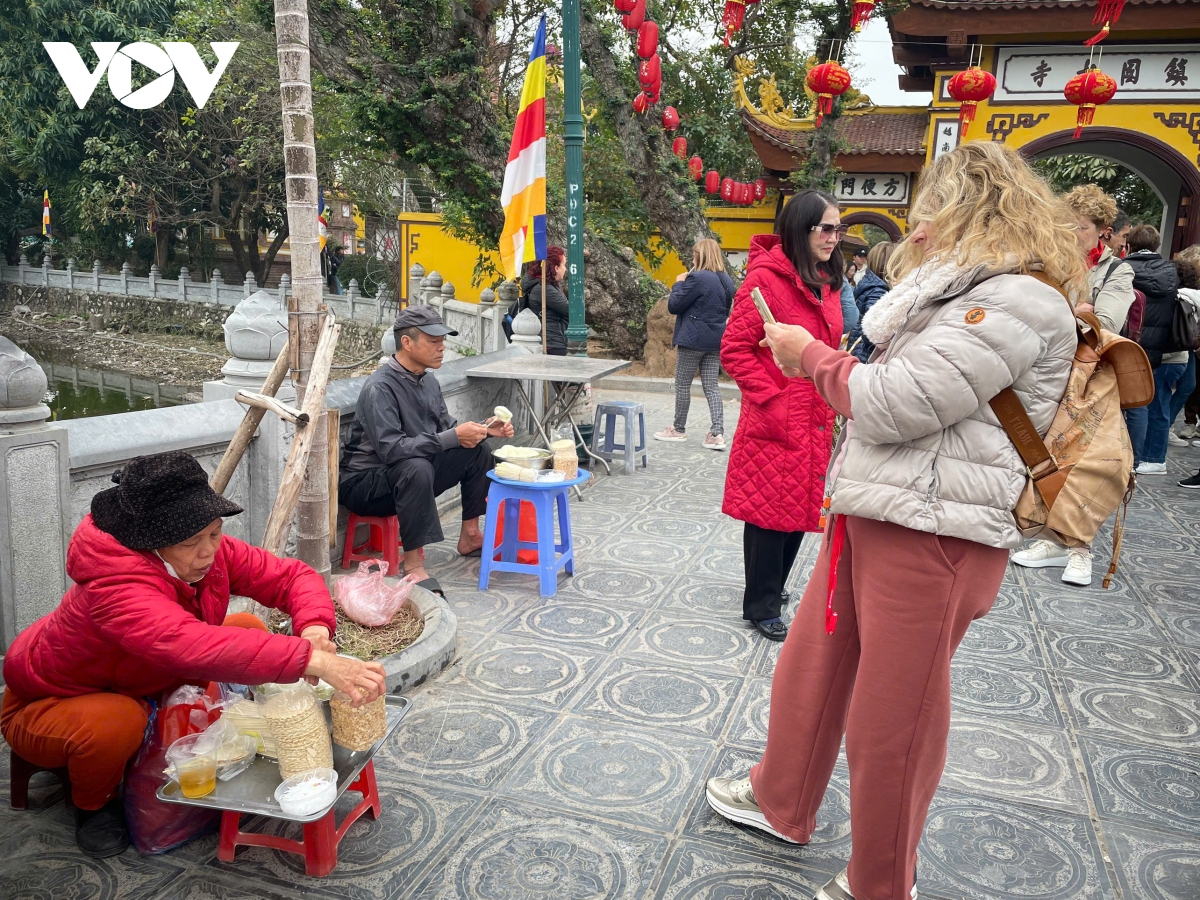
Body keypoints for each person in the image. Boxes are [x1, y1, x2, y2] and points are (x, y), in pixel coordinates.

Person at [705, 141, 1079, 900]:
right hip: (879, 505)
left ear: (970, 207)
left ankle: (880, 882)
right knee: (812, 668)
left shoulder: (1017, 300)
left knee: (893, 721)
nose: (919, 224)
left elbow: (895, 401)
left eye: (932, 207)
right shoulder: (950, 288)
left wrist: (809, 355)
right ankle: (783, 800)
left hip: (937, 531)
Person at [1, 450, 387, 858]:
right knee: (116, 722)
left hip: (144, 675)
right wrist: (318, 661)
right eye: (191, 542)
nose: (209, 551)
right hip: (51, 702)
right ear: (151, 544)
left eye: (215, 533)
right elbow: (189, 644)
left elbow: (290, 576)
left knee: (248, 629)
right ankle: (93, 806)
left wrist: (313, 629)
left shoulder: (205, 552)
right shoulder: (114, 587)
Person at [720, 189, 845, 642]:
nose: (835, 237)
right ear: (801, 228)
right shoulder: (765, 281)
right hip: (778, 413)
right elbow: (734, 349)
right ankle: (761, 604)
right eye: (826, 228)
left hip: (815, 412)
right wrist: (772, 399)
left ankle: (774, 590)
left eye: (838, 228)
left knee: (799, 510)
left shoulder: (826, 279)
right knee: (768, 514)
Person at [339, 306, 515, 595]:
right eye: (433, 341)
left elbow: (447, 430)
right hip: (364, 484)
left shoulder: (428, 381)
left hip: (406, 473)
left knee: (477, 452)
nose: (442, 347)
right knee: (416, 466)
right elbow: (391, 450)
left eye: (442, 341)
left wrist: (483, 429)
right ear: (407, 343)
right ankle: (413, 566)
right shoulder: (379, 387)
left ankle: (470, 535)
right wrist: (453, 437)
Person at [1012, 184, 1135, 586]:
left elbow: (1108, 322)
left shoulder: (1116, 270)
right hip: (1051, 372)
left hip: (1092, 382)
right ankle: (1051, 539)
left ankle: (1080, 548)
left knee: (1090, 462)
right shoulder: (1052, 262)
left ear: (1101, 230)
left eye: (1080, 227)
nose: (1071, 235)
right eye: (1065, 226)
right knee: (1046, 455)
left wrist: (1069, 313)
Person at [654, 238, 735, 449]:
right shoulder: (726, 280)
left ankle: (678, 429)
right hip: (715, 340)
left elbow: (674, 305)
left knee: (682, 384)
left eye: (694, 254)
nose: (692, 258)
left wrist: (678, 283)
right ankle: (717, 433)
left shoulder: (696, 278)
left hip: (692, 340)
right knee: (711, 386)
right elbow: (726, 309)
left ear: (700, 256)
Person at [1125, 224, 1183, 475]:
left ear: (1130, 244)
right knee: (1148, 404)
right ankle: (1143, 459)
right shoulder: (1171, 272)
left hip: (1126, 344)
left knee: (1118, 403)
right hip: (1156, 351)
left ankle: (1117, 455)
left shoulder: (1124, 268)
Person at [846, 241, 896, 363]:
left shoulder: (868, 283)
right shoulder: (879, 291)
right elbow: (875, 332)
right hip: (866, 354)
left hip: (856, 346)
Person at [520, 245, 571, 355]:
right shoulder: (543, 288)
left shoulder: (548, 284)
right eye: (564, 265)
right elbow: (570, 311)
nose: (565, 269)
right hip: (551, 343)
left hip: (552, 340)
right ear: (556, 268)